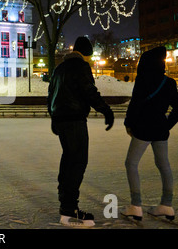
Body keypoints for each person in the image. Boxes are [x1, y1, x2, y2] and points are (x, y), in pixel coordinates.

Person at [48, 36, 114, 227]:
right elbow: (89, 91)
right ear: (85, 54)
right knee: (77, 162)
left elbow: (50, 94)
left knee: (68, 160)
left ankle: (66, 205)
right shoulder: (81, 66)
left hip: (61, 121)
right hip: (74, 120)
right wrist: (106, 110)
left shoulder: (59, 68)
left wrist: (53, 117)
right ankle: (69, 209)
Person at [122, 46, 178, 222]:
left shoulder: (143, 80)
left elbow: (135, 106)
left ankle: (136, 205)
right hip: (160, 130)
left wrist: (129, 124)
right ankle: (166, 204)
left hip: (143, 129)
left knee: (131, 163)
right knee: (164, 165)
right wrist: (166, 124)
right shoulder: (169, 82)